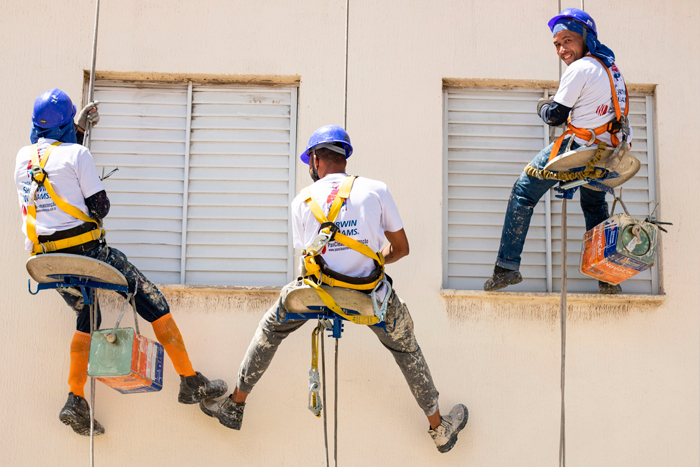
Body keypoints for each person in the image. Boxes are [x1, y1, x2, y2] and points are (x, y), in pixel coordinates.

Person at [200, 125, 468, 453]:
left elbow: (307, 258)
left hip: (316, 295)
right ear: (343, 156)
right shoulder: (375, 189)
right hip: (368, 298)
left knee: (270, 330)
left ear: (315, 159)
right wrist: (375, 258)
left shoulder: (302, 200)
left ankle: (235, 405)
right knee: (407, 349)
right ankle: (439, 427)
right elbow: (401, 249)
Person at [14, 89, 227, 436]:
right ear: (68, 124)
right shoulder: (78, 154)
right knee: (152, 299)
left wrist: (77, 131)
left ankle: (75, 398)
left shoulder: (23, 158)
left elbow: (52, 166)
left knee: (89, 312)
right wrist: (82, 150)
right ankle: (190, 380)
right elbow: (99, 207)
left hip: (47, 262)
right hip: (88, 254)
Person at [484, 8, 632, 295]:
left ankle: (506, 268)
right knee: (594, 205)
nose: (562, 49)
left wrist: (542, 105)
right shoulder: (612, 70)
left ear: (585, 38)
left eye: (567, 40)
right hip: (608, 155)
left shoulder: (581, 68)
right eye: (557, 44)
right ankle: (607, 278)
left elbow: (555, 116)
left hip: (579, 150)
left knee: (524, 191)